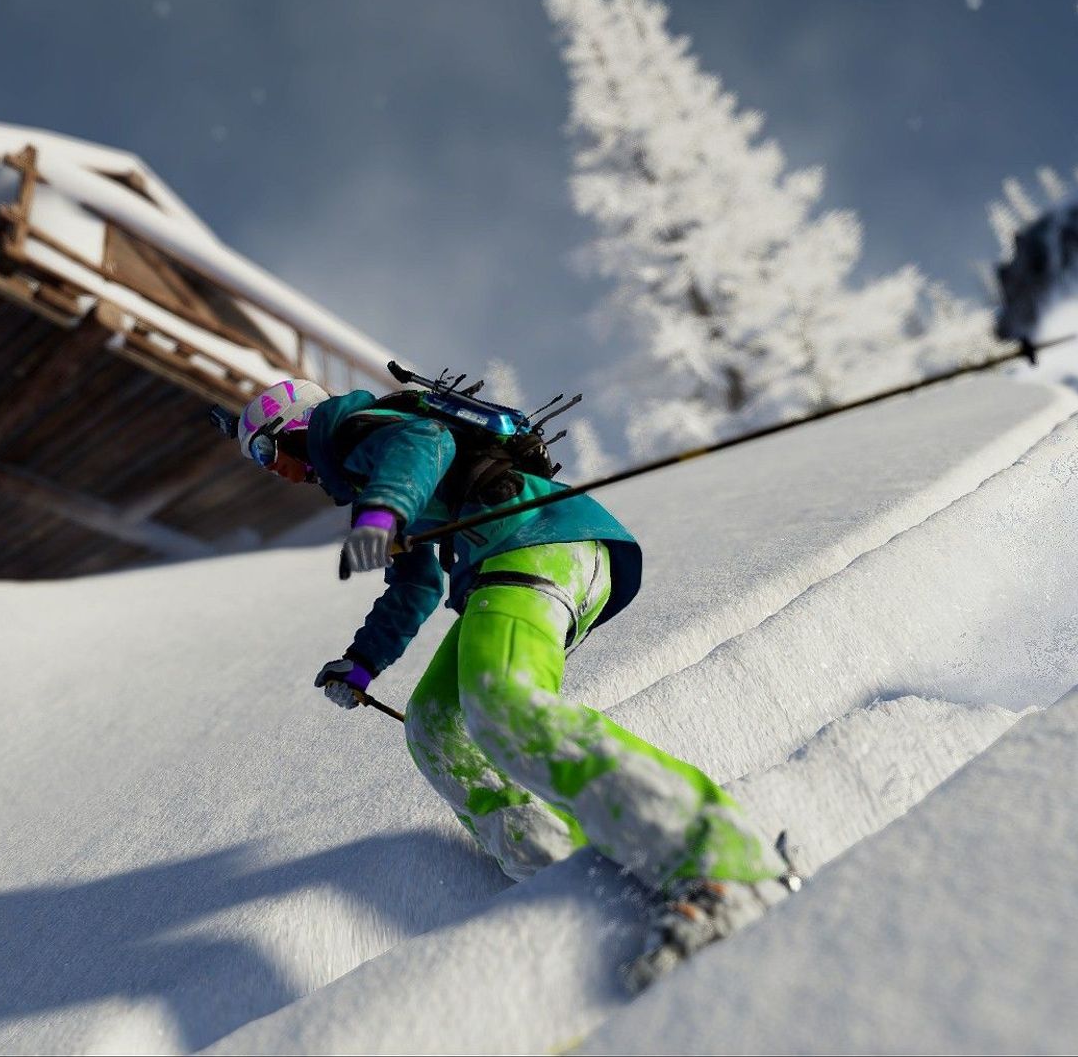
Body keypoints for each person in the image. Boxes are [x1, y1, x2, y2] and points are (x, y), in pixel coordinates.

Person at [229, 378, 798, 991]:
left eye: (266, 452)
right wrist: (361, 663)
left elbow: (426, 442)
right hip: (513, 562)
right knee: (436, 725)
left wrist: (384, 511)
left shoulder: (352, 430)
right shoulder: (367, 472)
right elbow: (416, 584)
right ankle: (561, 872)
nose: (277, 473)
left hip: (542, 545)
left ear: (292, 426)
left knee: (503, 701)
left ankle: (726, 865)